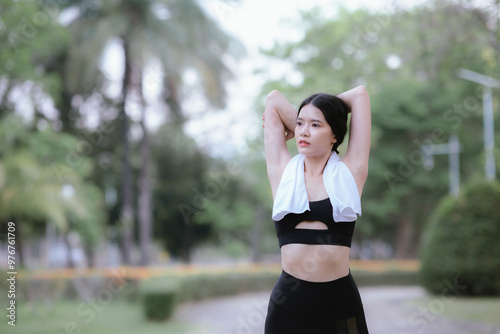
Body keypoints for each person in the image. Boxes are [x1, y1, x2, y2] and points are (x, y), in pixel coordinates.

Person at [262, 85, 371, 333]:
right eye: (299, 124)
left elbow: (360, 94)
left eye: (315, 125)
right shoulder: (281, 173)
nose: (303, 132)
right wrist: (314, 117)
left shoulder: (351, 172)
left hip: (340, 306)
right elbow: (273, 100)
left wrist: (325, 108)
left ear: (335, 135)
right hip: (286, 309)